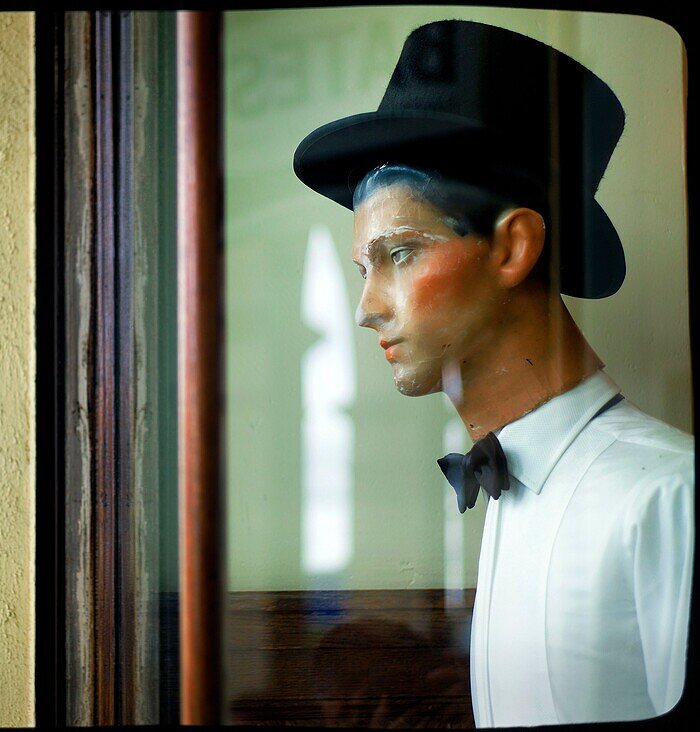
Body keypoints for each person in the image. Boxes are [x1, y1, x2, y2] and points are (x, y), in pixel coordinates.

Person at [293, 19, 694, 726]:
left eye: (402, 253)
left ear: (511, 249)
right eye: (364, 267)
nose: (366, 308)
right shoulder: (508, 487)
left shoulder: (668, 497)